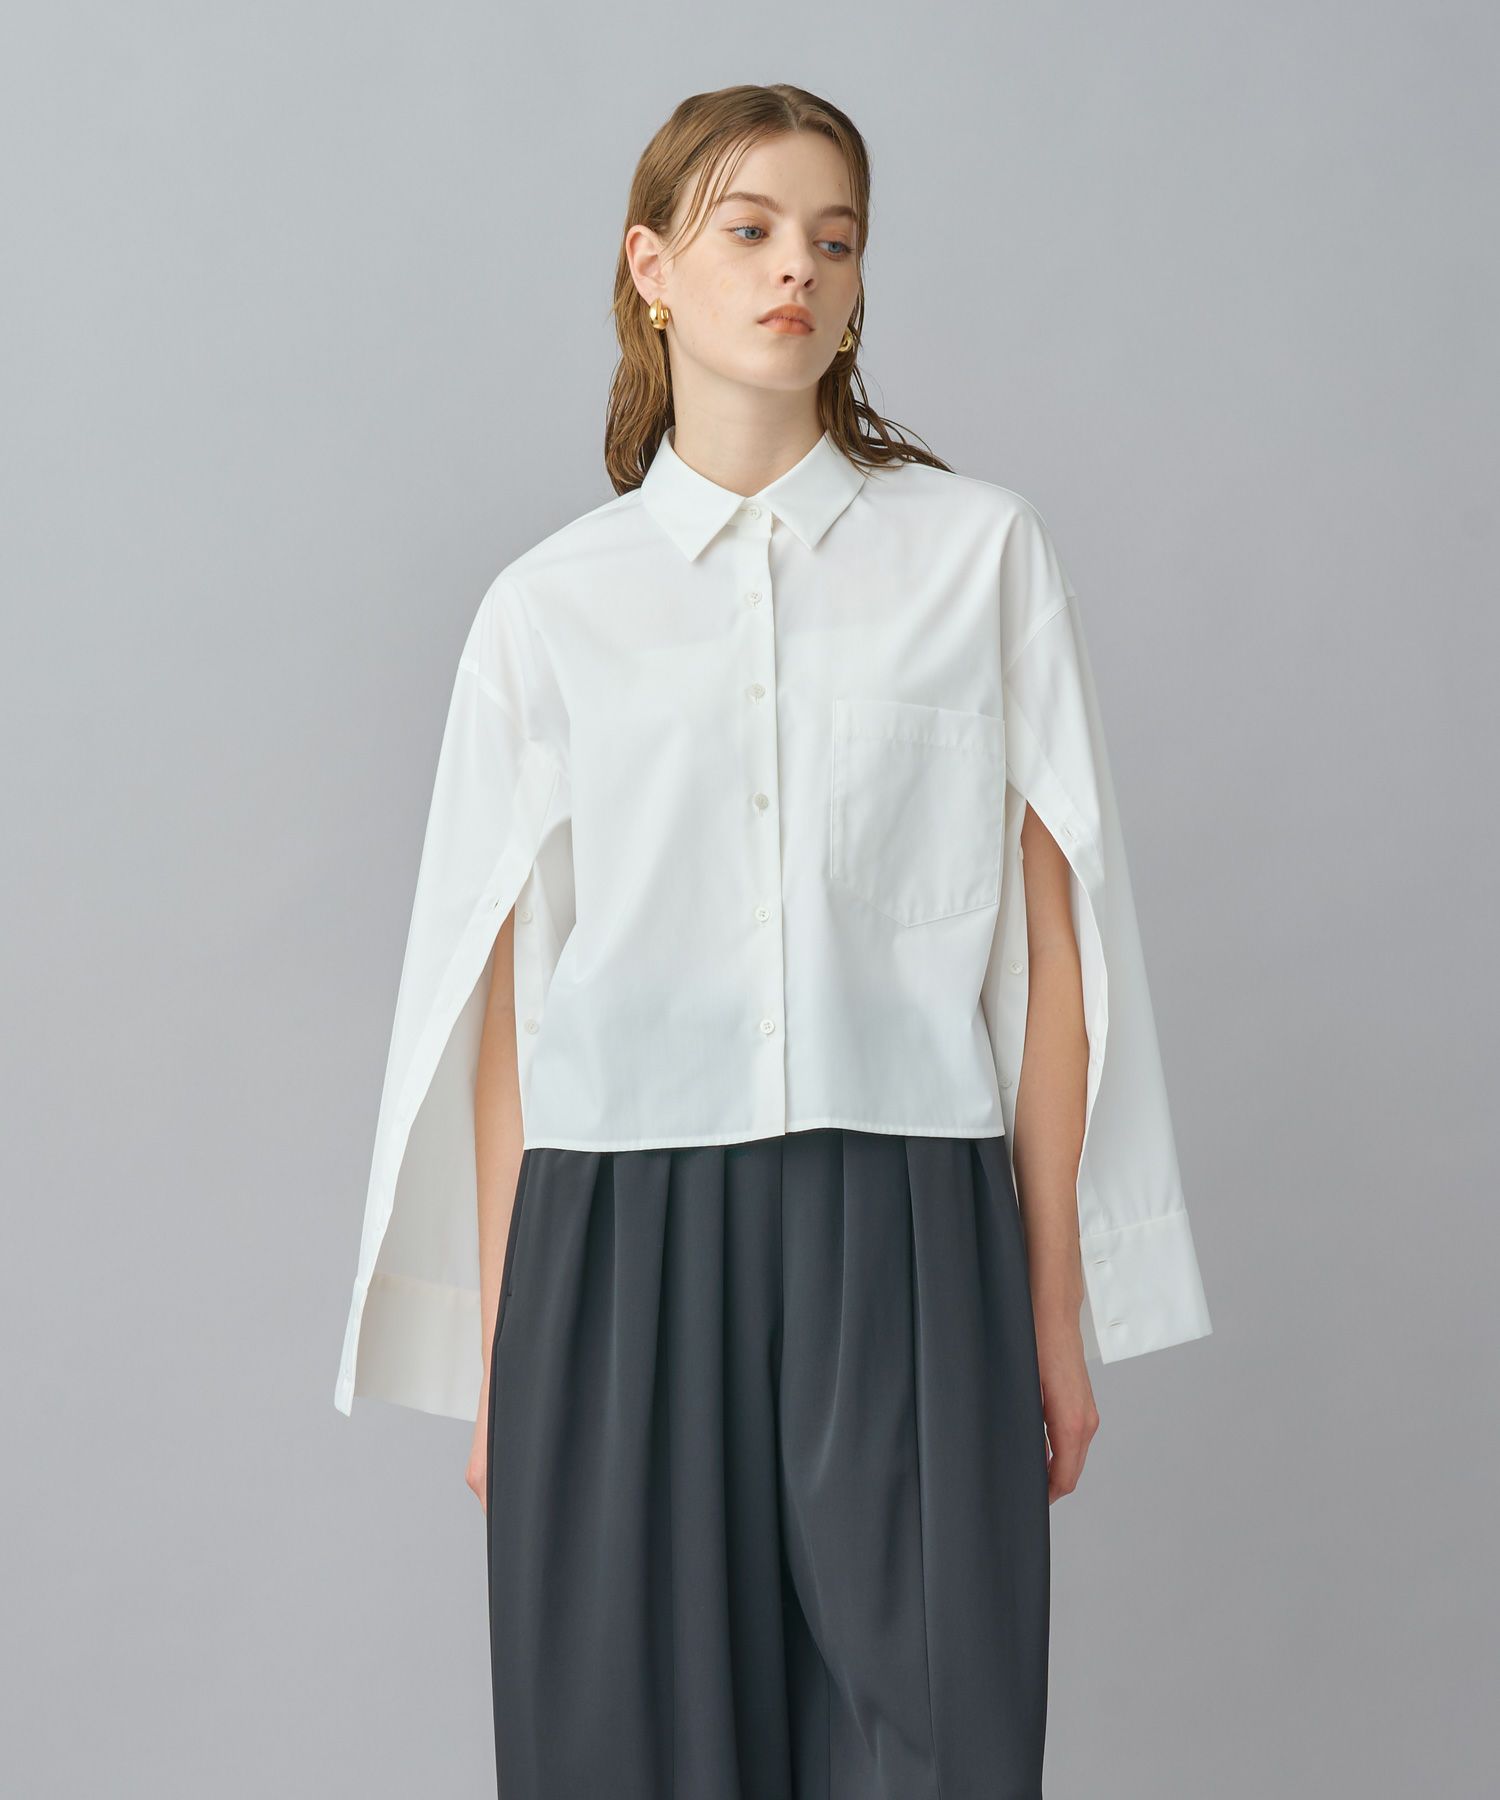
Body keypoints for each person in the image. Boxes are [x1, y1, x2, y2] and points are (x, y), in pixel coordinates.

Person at [333, 83, 1212, 1800]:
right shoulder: (547, 610)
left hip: (909, 1223)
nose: (796, 268)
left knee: (941, 1745)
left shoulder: (980, 557)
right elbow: (510, 1010)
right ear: (651, 269)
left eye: (835, 238)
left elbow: (1056, 962)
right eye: (748, 230)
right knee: (622, 1752)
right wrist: (510, 1358)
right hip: (615, 1237)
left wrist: (1054, 1310)